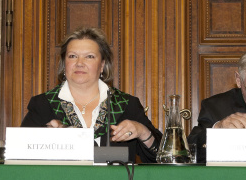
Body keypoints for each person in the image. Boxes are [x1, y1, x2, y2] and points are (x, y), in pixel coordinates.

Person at [20, 27, 162, 163]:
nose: (79, 63)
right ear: (64, 64)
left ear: (102, 65)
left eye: (89, 56)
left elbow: (164, 157)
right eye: (72, 56)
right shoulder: (43, 105)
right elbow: (19, 157)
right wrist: (44, 139)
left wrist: (142, 131)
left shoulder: (126, 104)